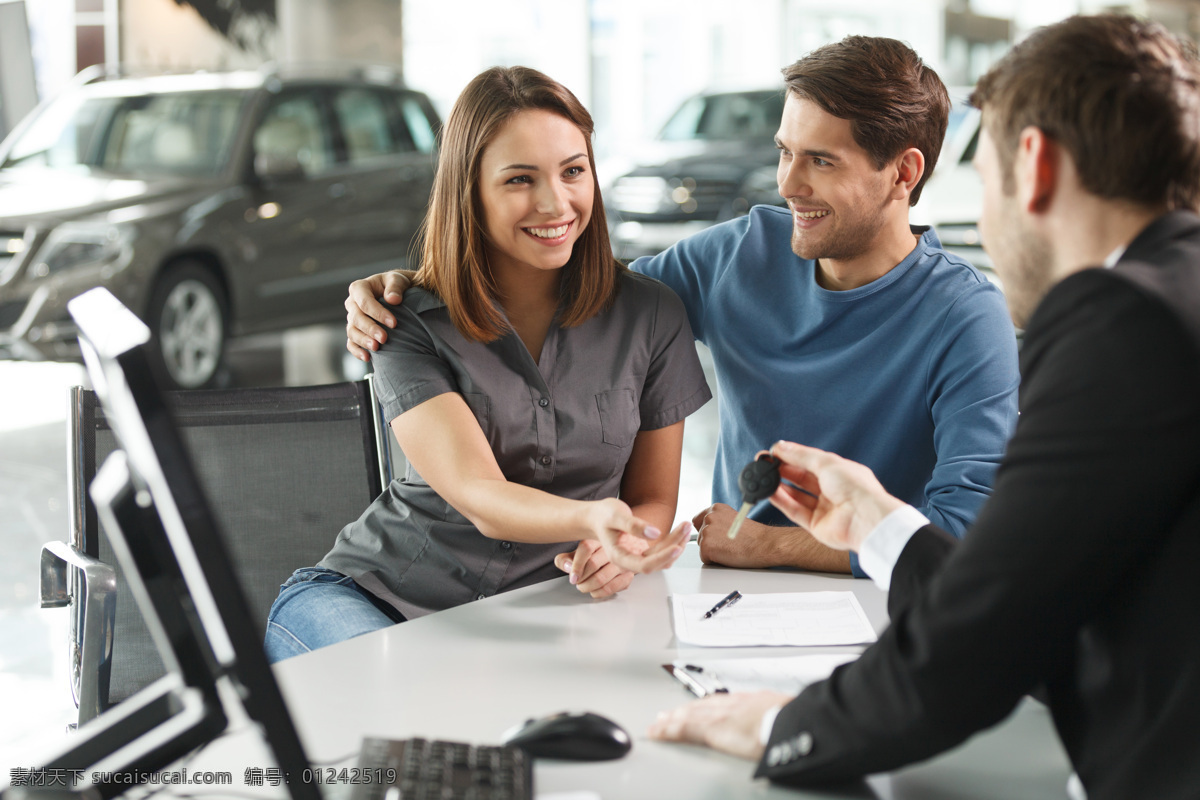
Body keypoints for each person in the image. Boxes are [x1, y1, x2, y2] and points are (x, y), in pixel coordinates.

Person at [648, 14, 1200, 800]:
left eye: (986, 179)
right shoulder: (1178, 297)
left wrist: (777, 726)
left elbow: (980, 643)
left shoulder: (1122, 323)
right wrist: (875, 522)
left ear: (1032, 166)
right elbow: (1031, 583)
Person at [343, 37, 1020, 581]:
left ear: (903, 173)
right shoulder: (735, 257)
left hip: (885, 603)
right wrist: (415, 285)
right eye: (784, 152)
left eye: (820, 160)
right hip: (729, 594)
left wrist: (770, 547)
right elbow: (577, 292)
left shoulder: (967, 317)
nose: (788, 183)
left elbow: (965, 533)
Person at [264, 67, 711, 662]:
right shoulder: (405, 320)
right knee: (405, 717)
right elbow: (478, 494)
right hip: (373, 600)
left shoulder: (651, 314)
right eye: (520, 179)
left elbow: (653, 497)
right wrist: (598, 517)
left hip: (539, 613)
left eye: (573, 170)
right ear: (468, 190)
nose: (556, 202)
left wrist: (622, 548)